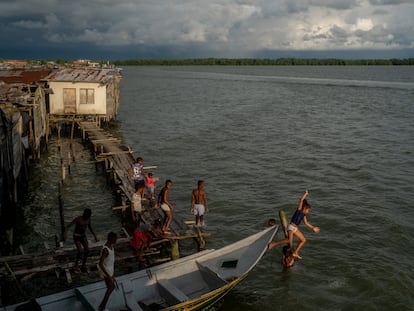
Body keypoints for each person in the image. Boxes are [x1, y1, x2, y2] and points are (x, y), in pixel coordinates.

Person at [268, 190, 320, 259]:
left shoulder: (304, 215)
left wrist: (313, 228)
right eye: (308, 210)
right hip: (290, 227)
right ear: (305, 208)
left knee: (303, 240)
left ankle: (295, 252)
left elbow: (306, 223)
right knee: (289, 240)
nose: (308, 212)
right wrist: (305, 194)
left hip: (295, 228)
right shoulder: (299, 210)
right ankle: (273, 244)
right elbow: (301, 200)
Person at [63, 208, 98, 272]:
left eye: (89, 216)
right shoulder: (78, 219)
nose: (88, 217)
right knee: (80, 251)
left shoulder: (88, 219)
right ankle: (76, 264)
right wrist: (65, 234)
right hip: (76, 236)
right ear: (84, 214)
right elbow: (68, 226)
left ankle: (83, 264)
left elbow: (90, 228)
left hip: (83, 236)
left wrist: (95, 236)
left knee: (87, 250)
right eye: (87, 215)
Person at [98, 231, 117, 311]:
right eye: (115, 239)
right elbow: (100, 263)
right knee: (111, 287)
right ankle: (102, 307)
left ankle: (102, 306)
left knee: (111, 287)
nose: (116, 240)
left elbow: (110, 260)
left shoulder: (111, 247)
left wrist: (113, 274)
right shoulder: (105, 250)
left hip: (110, 269)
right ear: (111, 239)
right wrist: (109, 276)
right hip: (107, 271)